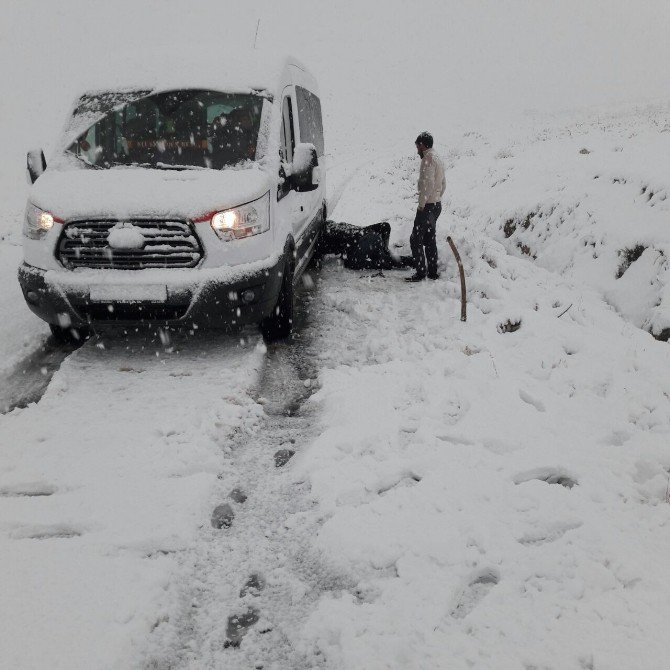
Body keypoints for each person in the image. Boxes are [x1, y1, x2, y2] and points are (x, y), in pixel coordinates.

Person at [406, 131, 446, 282]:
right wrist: (437, 197)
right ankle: (433, 272)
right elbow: (443, 184)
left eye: (417, 146)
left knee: (415, 239)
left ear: (422, 145)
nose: (417, 150)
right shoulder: (438, 157)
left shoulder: (428, 159)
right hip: (436, 205)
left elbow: (427, 184)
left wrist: (422, 204)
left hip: (428, 206)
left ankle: (421, 272)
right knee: (429, 239)